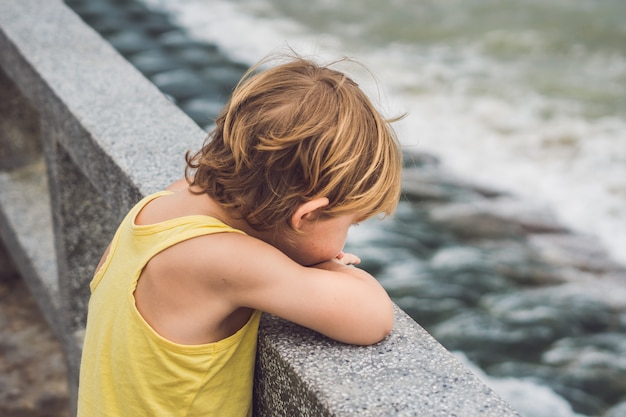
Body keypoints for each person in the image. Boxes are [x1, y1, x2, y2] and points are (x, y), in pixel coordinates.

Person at [77, 54, 403, 417]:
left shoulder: (162, 204)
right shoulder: (225, 259)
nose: (346, 241)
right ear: (305, 215)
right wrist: (330, 267)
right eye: (348, 226)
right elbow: (372, 318)